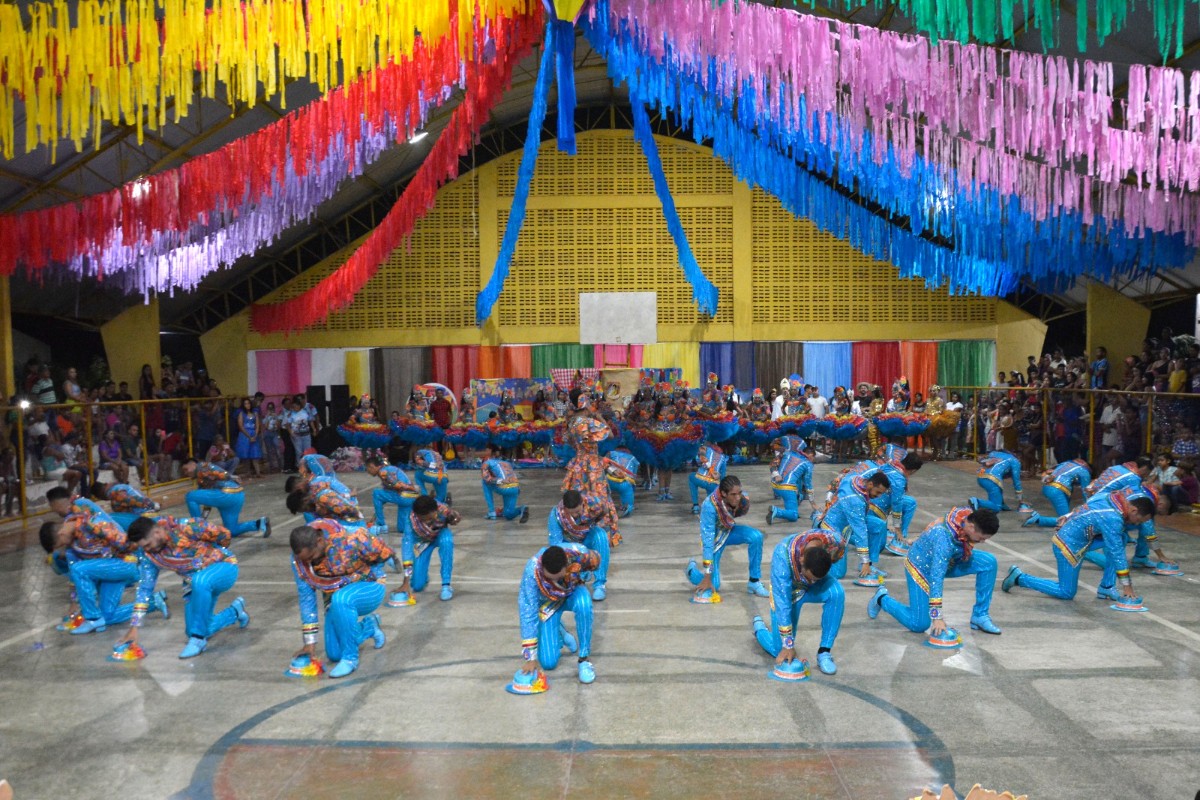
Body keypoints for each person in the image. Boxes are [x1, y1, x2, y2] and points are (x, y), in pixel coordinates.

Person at [120, 515, 248, 658]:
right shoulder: (150, 556)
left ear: (157, 532)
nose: (147, 549)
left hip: (223, 567)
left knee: (200, 581)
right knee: (192, 629)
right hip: (194, 584)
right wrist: (134, 627)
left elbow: (224, 535)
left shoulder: (187, 527)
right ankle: (235, 612)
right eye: (144, 548)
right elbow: (145, 589)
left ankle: (198, 641)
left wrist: (211, 554)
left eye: (148, 545)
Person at [868, 507, 1002, 635]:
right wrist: (937, 616)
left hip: (952, 559)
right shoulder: (943, 539)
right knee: (918, 624)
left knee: (989, 562)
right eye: (981, 538)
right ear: (971, 527)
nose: (983, 542)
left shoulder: (966, 515)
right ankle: (882, 599)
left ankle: (980, 615)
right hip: (922, 568)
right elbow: (936, 577)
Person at [1004, 493, 1155, 606]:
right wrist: (1127, 587)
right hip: (1067, 545)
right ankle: (1019, 578)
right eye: (1139, 521)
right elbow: (1117, 553)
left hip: (1082, 538)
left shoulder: (1114, 497)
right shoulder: (1113, 519)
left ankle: (1107, 586)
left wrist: (1068, 516)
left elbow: (1087, 503)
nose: (1137, 524)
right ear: (1134, 510)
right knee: (1066, 592)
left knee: (1121, 538)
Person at [290, 521, 390, 678]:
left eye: (311, 557)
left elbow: (382, 553)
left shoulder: (351, 538)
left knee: (342, 598)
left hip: (370, 588)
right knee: (334, 653)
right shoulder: (299, 560)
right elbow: (307, 599)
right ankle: (369, 626)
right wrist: (310, 644)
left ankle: (350, 659)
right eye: (305, 560)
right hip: (335, 600)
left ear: (319, 541)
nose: (309, 563)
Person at [751, 529, 843, 675]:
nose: (812, 582)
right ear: (801, 561)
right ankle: (759, 628)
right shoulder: (782, 557)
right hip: (790, 592)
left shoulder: (833, 542)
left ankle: (824, 652)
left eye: (816, 580)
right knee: (778, 649)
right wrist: (788, 644)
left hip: (812, 577)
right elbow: (783, 604)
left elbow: (837, 554)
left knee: (837, 593)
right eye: (810, 577)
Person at [517, 544, 600, 684]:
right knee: (548, 663)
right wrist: (531, 658)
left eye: (557, 577)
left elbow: (596, 559)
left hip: (572, 593)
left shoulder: (579, 554)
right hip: (549, 604)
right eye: (550, 579)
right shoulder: (531, 572)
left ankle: (584, 659)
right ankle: (562, 632)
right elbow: (528, 612)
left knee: (584, 604)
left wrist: (587, 574)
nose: (554, 582)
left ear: (566, 565)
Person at [685, 476, 769, 599]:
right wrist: (707, 576)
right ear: (723, 493)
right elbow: (708, 539)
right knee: (715, 584)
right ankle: (691, 571)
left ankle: (754, 582)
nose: (738, 497)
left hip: (729, 531)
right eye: (733, 494)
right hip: (714, 539)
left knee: (756, 537)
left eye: (739, 493)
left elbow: (737, 511)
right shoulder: (709, 506)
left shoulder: (742, 499)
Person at [812, 471, 890, 580]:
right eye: (878, 492)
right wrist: (865, 560)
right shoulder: (855, 500)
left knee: (879, 525)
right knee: (838, 573)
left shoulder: (855, 478)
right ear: (871, 484)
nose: (878, 496)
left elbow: (836, 482)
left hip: (848, 522)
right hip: (834, 528)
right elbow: (860, 531)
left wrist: (828, 505)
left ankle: (869, 566)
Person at [389, 495, 461, 604]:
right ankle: (421, 576)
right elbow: (407, 549)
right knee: (417, 586)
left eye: (430, 518)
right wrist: (406, 580)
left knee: (447, 540)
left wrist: (455, 518)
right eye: (423, 519)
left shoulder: (443, 510)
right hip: (422, 542)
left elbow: (455, 517)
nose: (427, 521)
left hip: (439, 536)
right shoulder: (411, 521)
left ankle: (446, 585)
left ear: (435, 510)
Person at [181, 459, 269, 538]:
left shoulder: (203, 466)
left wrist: (200, 524)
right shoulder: (201, 478)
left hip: (226, 494)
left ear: (192, 464)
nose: (186, 473)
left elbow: (223, 474)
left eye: (185, 469)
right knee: (231, 531)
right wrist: (203, 520)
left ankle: (197, 529)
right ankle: (259, 524)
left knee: (190, 496)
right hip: (237, 496)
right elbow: (207, 503)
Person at [548, 490, 610, 601]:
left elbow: (604, 512)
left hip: (587, 537)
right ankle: (576, 577)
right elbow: (556, 545)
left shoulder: (594, 504)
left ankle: (600, 584)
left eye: (577, 512)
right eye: (570, 513)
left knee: (601, 536)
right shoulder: (556, 515)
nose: (574, 515)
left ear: (582, 503)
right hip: (569, 546)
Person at [1023, 456, 1092, 528]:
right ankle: (1038, 519)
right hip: (1057, 490)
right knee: (1066, 521)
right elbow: (1086, 492)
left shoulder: (1066, 463)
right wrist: (1090, 507)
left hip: (1048, 487)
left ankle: (1039, 519)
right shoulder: (1085, 472)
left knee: (1064, 517)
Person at [366, 456, 420, 535]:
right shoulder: (388, 469)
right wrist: (374, 517)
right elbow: (382, 500)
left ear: (372, 466)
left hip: (404, 496)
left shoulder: (383, 472)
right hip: (410, 497)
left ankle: (381, 525)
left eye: (368, 469)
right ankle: (416, 526)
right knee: (402, 528)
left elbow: (398, 485)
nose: (368, 472)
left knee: (376, 493)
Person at [766, 443, 813, 524]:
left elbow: (772, 463)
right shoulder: (808, 464)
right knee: (794, 516)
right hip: (787, 489)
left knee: (797, 488)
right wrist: (812, 502)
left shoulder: (787, 453)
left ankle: (791, 507)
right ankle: (776, 511)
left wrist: (776, 474)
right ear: (811, 455)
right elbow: (808, 484)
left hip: (775, 485)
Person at [481, 443, 529, 522]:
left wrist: (499, 481)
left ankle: (491, 512)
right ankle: (522, 509)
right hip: (515, 488)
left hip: (504, 486)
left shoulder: (487, 462)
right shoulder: (507, 463)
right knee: (508, 514)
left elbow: (487, 478)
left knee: (485, 482)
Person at [93, 481, 160, 531]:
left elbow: (131, 500)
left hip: (145, 515)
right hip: (149, 513)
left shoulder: (114, 492)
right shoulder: (120, 486)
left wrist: (152, 505)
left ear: (100, 496)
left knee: (110, 517)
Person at [688, 442, 728, 514]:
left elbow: (699, 461)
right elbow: (723, 476)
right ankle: (711, 507)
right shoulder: (723, 458)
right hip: (713, 484)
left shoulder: (704, 449)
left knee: (691, 477)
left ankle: (696, 505)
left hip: (700, 479)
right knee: (711, 502)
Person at [603, 447, 640, 518]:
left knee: (604, 494)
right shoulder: (633, 458)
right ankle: (625, 509)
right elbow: (634, 476)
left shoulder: (611, 453)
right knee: (628, 499)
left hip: (609, 479)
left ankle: (605, 508)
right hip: (626, 482)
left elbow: (603, 463)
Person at [234, 397, 263, 478]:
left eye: (248, 403)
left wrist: (255, 435)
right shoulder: (241, 413)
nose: (247, 405)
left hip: (253, 434)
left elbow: (257, 425)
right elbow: (241, 426)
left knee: (255, 454)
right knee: (245, 455)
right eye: (245, 404)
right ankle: (248, 472)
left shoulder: (255, 413)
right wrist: (249, 436)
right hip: (244, 435)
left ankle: (258, 472)